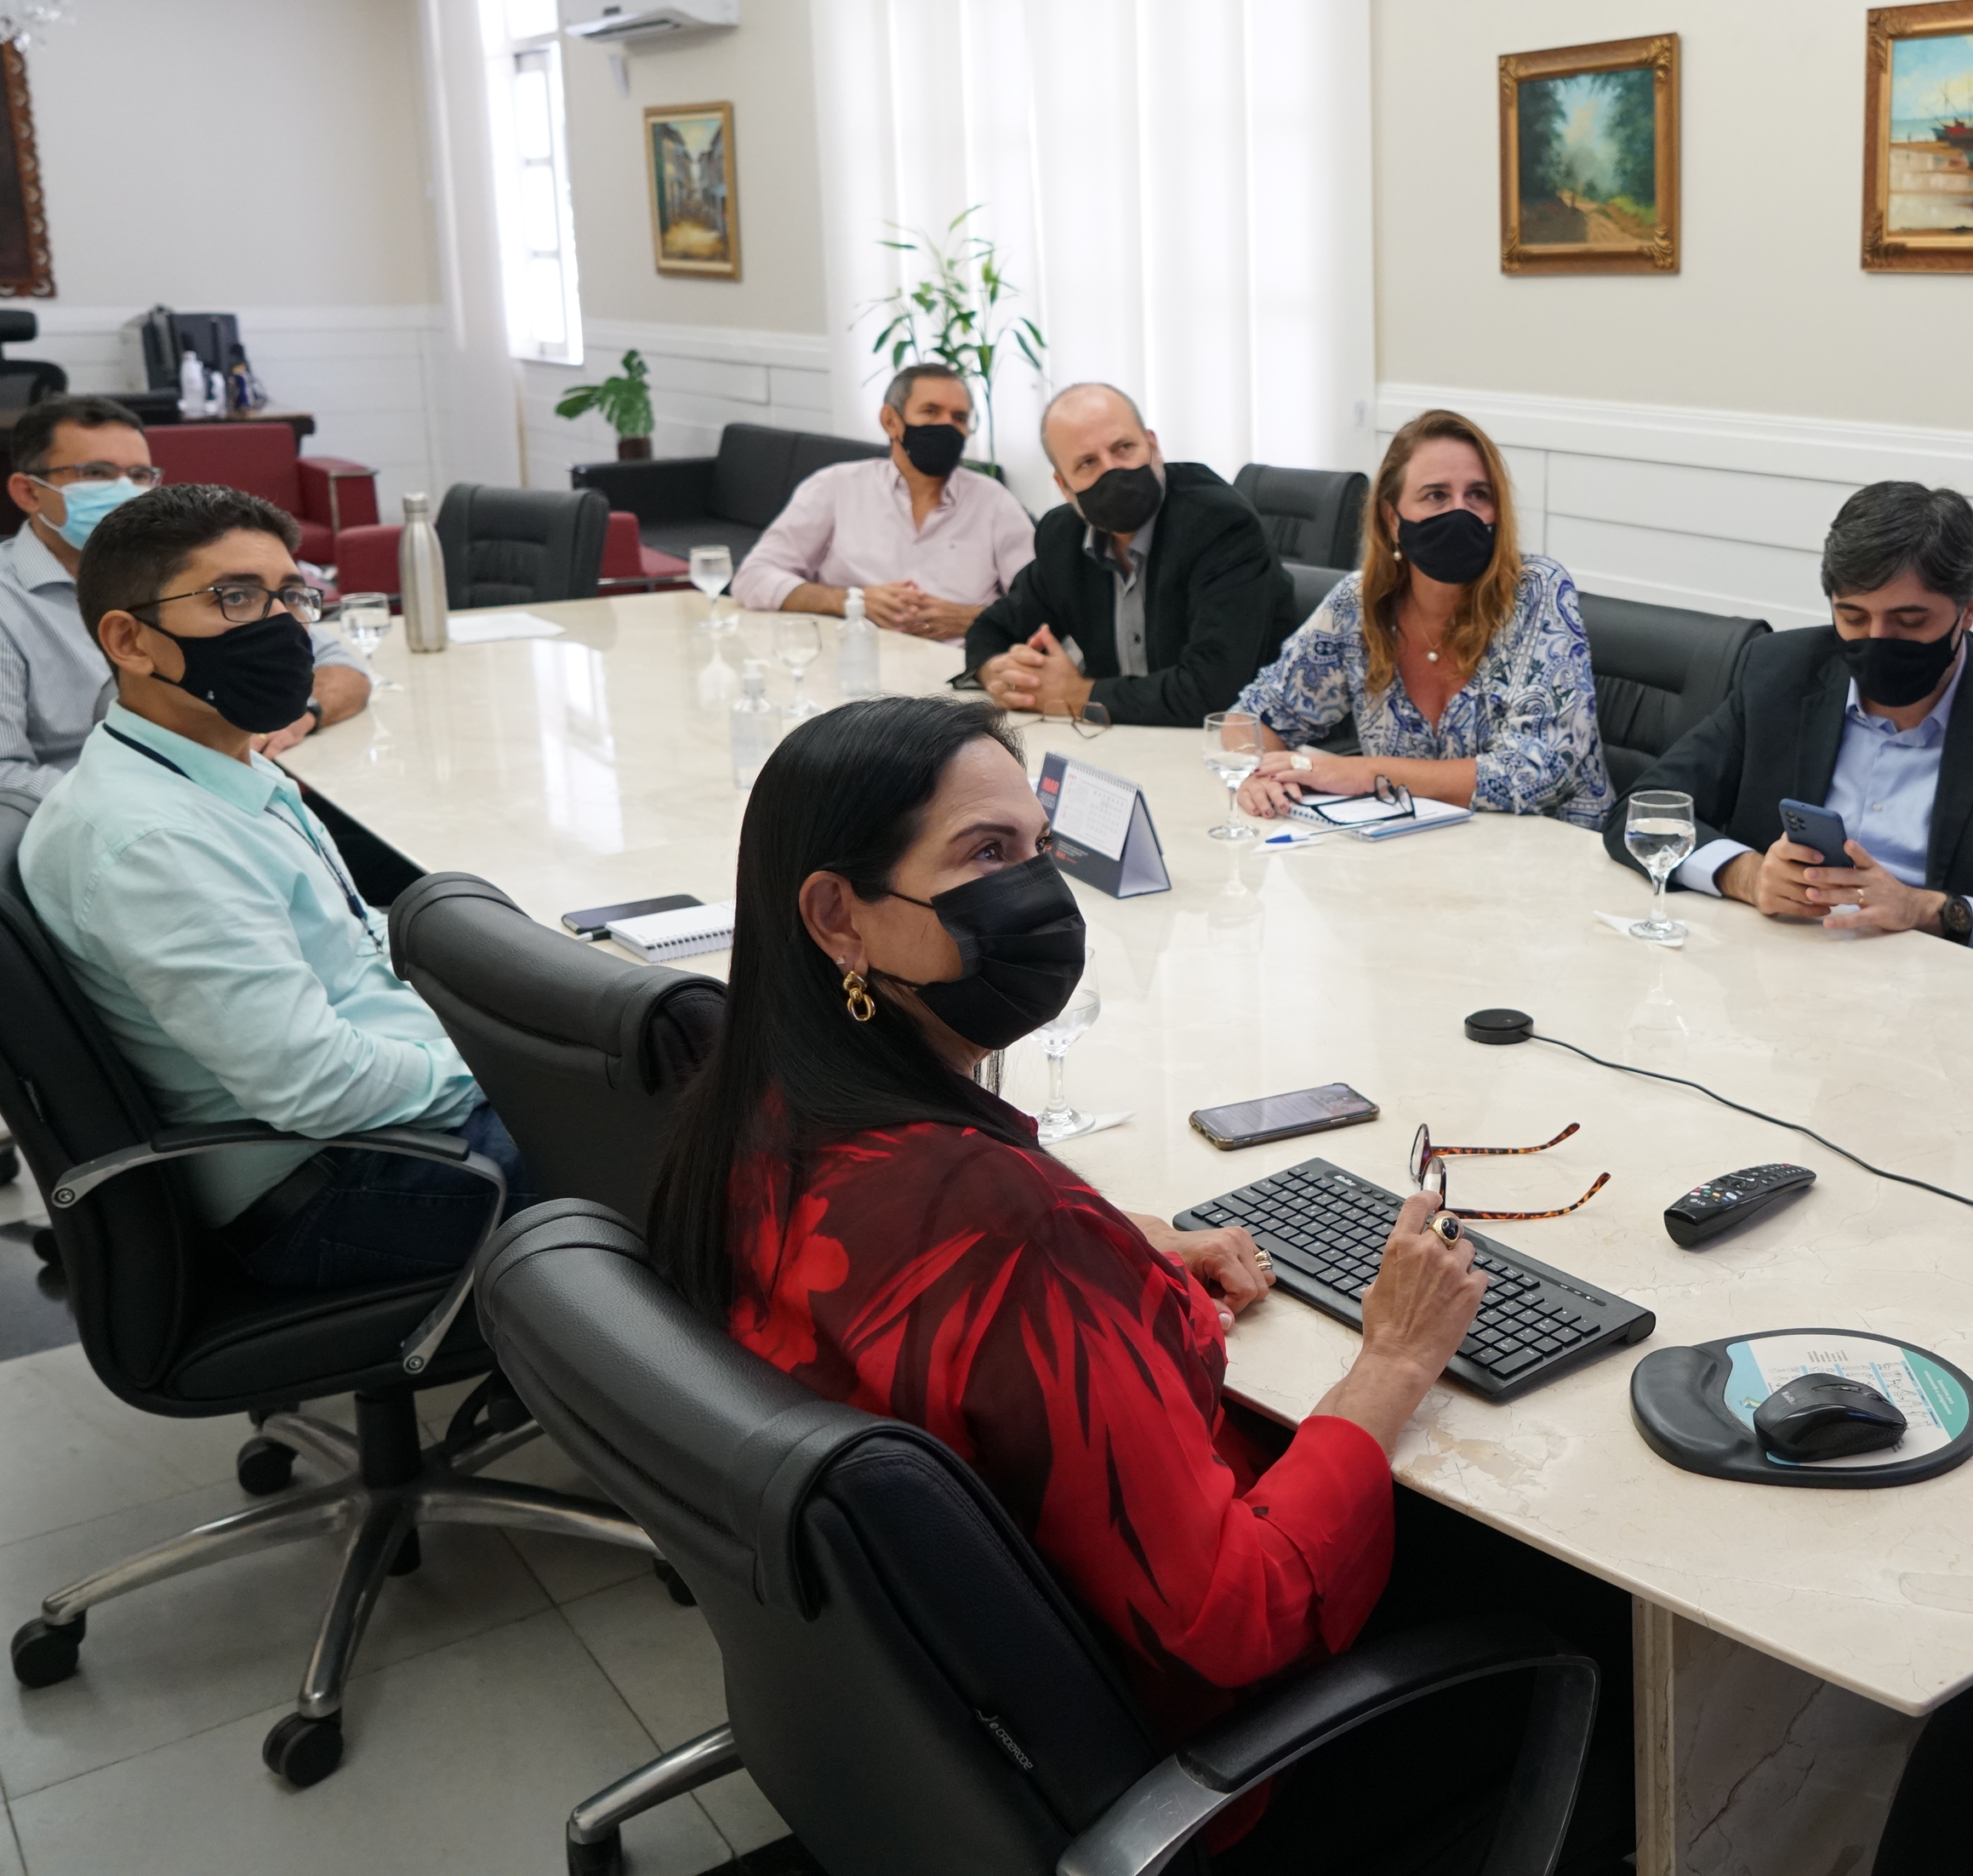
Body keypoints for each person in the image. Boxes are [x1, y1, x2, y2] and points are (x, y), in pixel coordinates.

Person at [647, 696, 1632, 1869]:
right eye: (984, 855)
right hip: (1192, 1781)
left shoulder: (749, 1118)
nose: (1037, 893)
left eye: (1038, 850)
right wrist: (1397, 1357)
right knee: (1591, 1611)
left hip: (943, 1733)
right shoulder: (1009, 1230)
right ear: (837, 916)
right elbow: (1238, 1619)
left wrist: (1104, 1241)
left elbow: (915, 1280)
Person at [19, 483, 522, 1283]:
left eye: (292, 595)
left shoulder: (217, 765)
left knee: (676, 1088)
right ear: (131, 641)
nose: (284, 624)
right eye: (236, 598)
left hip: (373, 1130)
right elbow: (316, 1084)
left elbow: (347, 942)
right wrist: (503, 1061)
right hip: (333, 1186)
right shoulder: (153, 839)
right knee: (696, 1148)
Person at [1599, 481, 1973, 989]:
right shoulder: (1780, 672)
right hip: (1773, 984)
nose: (1878, 640)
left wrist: (1934, 910)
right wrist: (1748, 875)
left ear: (1970, 607)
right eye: (1853, 617)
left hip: (1947, 1011)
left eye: (1909, 621)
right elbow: (1639, 814)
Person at [0, 396, 369, 809]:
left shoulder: (177, 573)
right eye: (96, 473)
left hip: (245, 791)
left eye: (139, 476)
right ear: (28, 492)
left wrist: (301, 717)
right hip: (122, 824)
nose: (124, 491)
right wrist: (171, 793)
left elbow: (341, 668)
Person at [1229, 408, 1610, 828]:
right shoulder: (1357, 606)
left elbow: (1538, 774)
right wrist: (1254, 774)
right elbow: (1252, 716)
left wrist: (1364, 773)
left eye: (1478, 495)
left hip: (1557, 861)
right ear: (1393, 519)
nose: (1460, 512)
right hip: (1420, 859)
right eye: (1436, 496)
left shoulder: (1537, 592)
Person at [961, 381, 1298, 727]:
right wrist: (996, 672)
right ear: (1064, 486)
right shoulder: (1062, 535)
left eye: (1124, 448)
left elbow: (1213, 691)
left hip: (1232, 748)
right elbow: (993, 627)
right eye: (1088, 463)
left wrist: (1078, 695)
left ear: (1153, 446)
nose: (1113, 471)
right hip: (1120, 742)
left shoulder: (1220, 525)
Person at [730, 359, 1034, 640]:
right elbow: (753, 578)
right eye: (930, 412)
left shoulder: (993, 501)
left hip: (956, 672)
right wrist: (850, 601)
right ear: (891, 421)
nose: (947, 427)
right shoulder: (835, 487)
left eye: (959, 418)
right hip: (852, 660)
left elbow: (1043, 604)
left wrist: (970, 618)